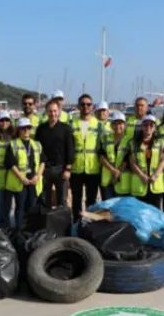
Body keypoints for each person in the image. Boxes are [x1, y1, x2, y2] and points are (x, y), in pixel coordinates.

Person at [5, 118, 45, 228]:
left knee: (32, 207)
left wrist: (38, 176)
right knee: (20, 207)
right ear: (18, 130)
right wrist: (22, 178)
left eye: (28, 128)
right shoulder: (13, 144)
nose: (26, 130)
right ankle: (19, 230)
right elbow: (11, 164)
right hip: (20, 181)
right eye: (23, 128)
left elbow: (42, 162)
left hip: (33, 180)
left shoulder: (36, 144)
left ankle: (30, 230)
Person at [35, 100, 74, 208]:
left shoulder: (66, 129)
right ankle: (46, 224)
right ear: (46, 112)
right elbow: (37, 149)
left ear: (59, 111)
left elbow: (70, 149)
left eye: (55, 111)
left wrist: (68, 169)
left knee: (62, 201)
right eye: (50, 111)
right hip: (45, 169)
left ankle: (63, 224)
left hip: (61, 169)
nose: (53, 113)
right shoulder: (41, 129)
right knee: (45, 200)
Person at [69, 94, 102, 222]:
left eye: (88, 104)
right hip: (76, 168)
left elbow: (102, 146)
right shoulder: (72, 123)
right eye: (82, 104)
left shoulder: (98, 124)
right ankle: (77, 224)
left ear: (92, 107)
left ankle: (89, 225)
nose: (85, 107)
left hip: (93, 168)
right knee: (76, 200)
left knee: (91, 200)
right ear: (78, 106)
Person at [129, 115, 164, 208]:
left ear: (155, 127)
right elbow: (132, 162)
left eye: (151, 125)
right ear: (142, 127)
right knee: (139, 213)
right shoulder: (133, 143)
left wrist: (156, 175)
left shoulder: (161, 142)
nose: (148, 127)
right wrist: (142, 175)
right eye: (145, 125)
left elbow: (163, 160)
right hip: (140, 183)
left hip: (155, 183)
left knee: (155, 213)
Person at [98, 111, 131, 200]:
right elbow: (101, 157)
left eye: (120, 123)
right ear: (111, 125)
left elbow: (128, 159)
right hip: (108, 181)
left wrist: (117, 173)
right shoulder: (104, 138)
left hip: (123, 182)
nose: (117, 126)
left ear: (125, 125)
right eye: (115, 124)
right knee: (108, 210)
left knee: (122, 210)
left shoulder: (129, 140)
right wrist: (113, 171)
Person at [0, 111, 14, 228]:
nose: (4, 123)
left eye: (6, 120)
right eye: (1, 120)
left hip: (10, 174)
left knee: (8, 203)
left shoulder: (13, 136)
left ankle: (7, 226)